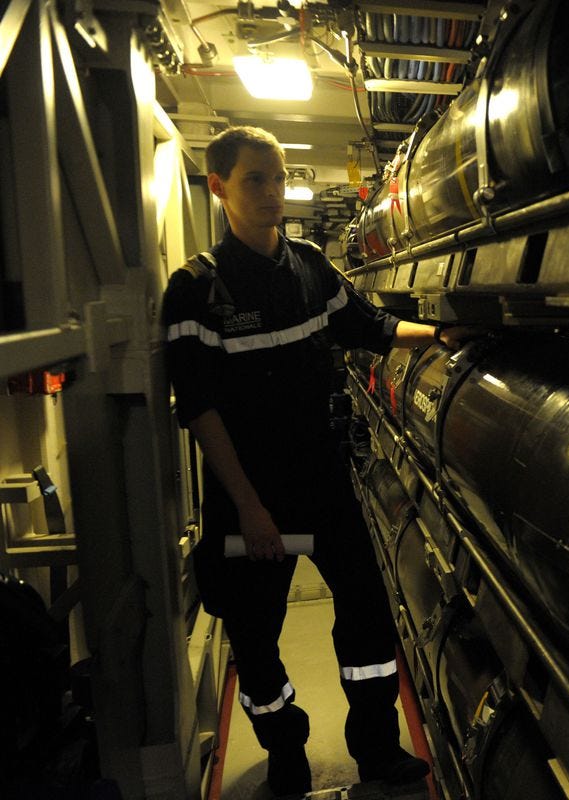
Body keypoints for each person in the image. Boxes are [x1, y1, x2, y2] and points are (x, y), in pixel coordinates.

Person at [161, 126, 443, 797]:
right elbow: (199, 407)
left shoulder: (311, 267)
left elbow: (371, 327)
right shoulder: (197, 290)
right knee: (256, 638)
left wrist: (441, 333)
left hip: (321, 486)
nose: (272, 191)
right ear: (219, 186)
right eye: (255, 178)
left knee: (368, 616)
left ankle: (375, 749)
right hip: (250, 497)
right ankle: (285, 748)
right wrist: (252, 508)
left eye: (278, 176)